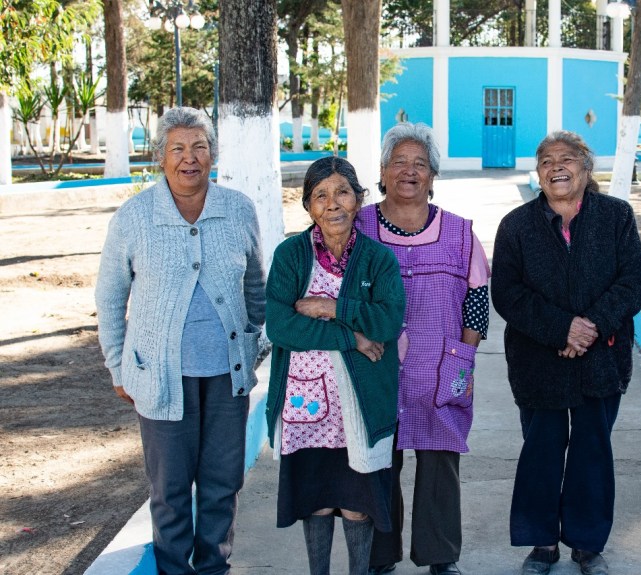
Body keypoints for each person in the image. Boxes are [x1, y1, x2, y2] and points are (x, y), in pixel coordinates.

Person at [95, 106, 266, 575]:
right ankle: (173, 569)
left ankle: (214, 567)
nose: (189, 159)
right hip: (160, 380)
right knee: (169, 491)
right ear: (160, 157)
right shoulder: (134, 218)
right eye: (177, 149)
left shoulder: (237, 209)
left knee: (221, 483)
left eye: (199, 147)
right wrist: (117, 366)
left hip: (227, 377)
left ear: (213, 154)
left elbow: (256, 287)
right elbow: (110, 299)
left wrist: (252, 342)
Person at [491, 131, 641, 575]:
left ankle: (586, 543)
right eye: (546, 161)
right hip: (539, 360)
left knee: (592, 450)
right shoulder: (516, 225)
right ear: (537, 173)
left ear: (586, 166)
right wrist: (562, 329)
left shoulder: (616, 216)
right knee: (541, 448)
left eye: (567, 158)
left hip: (602, 357)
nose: (556, 167)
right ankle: (540, 543)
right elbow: (507, 293)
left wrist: (590, 327)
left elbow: (632, 283)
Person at [354, 122, 491, 575]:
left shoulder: (458, 231)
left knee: (439, 462)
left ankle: (440, 556)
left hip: (442, 367)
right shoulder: (359, 226)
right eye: (399, 162)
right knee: (376, 461)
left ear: (433, 176)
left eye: (420, 164)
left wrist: (464, 360)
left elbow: (476, 300)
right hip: (373, 367)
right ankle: (378, 555)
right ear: (382, 171)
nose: (409, 172)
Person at [264, 156, 406, 575]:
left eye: (342, 191)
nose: (333, 204)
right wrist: (351, 337)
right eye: (320, 196)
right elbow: (281, 325)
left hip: (360, 405)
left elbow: (388, 320)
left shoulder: (378, 259)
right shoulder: (291, 254)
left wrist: (329, 306)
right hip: (305, 405)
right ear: (308, 206)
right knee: (318, 501)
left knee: (358, 504)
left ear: (359, 199)